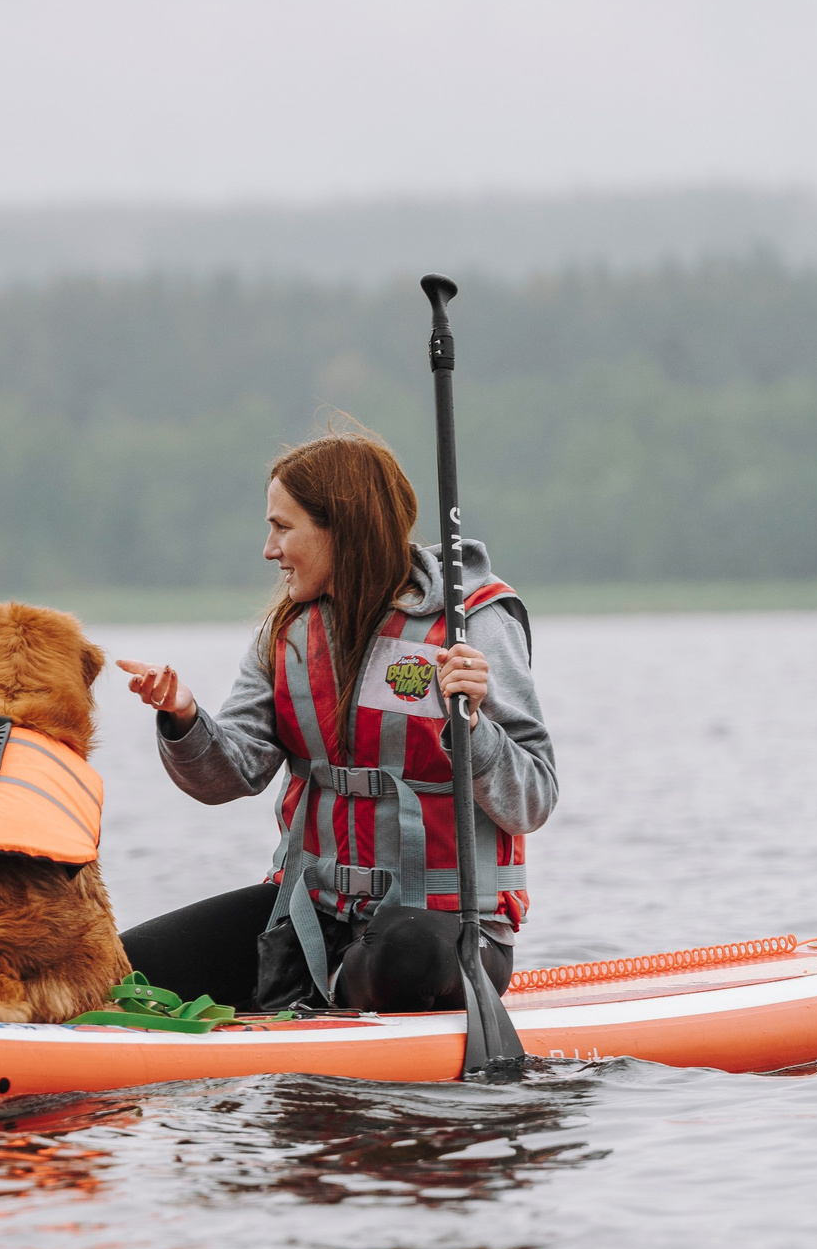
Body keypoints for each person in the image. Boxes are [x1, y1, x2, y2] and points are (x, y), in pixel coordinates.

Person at [112, 425, 555, 1013]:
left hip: (445, 933)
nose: (269, 549)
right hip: (309, 914)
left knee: (403, 954)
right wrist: (184, 718)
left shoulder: (474, 623)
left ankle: (304, 998)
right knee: (119, 970)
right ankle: (308, 988)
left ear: (342, 531)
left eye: (282, 527)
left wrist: (474, 731)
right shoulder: (287, 634)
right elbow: (230, 776)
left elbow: (534, 799)